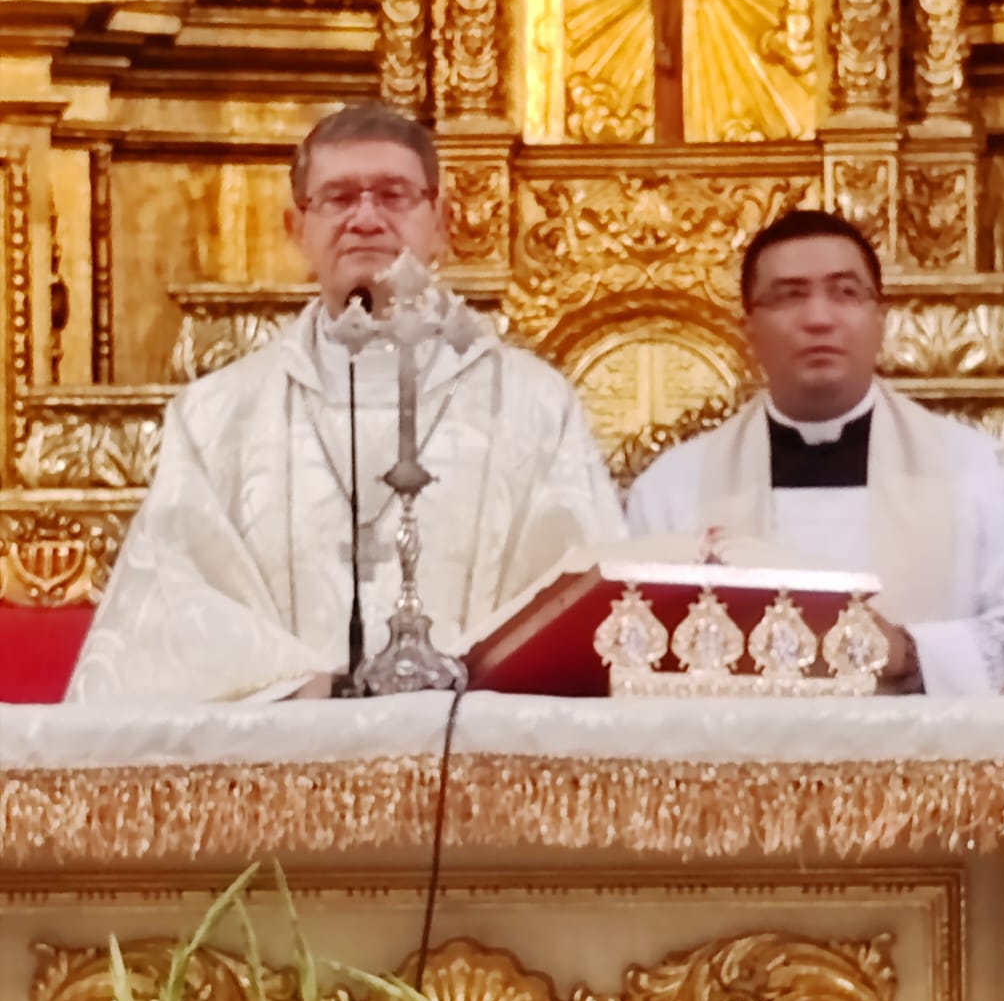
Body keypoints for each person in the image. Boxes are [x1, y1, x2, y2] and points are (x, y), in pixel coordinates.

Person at [69, 104, 625, 702]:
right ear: (297, 228)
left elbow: (579, 596)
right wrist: (315, 690)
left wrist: (463, 695)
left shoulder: (532, 404)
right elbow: (174, 608)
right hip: (287, 745)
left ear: (441, 222)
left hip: (478, 742)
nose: (365, 218)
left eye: (393, 195)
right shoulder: (216, 417)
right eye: (337, 198)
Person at [626, 208, 1004, 695]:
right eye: (789, 296)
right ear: (750, 331)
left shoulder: (984, 473)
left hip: (927, 744)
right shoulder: (672, 490)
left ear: (880, 321)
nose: (818, 319)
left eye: (846, 292)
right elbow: (632, 656)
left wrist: (911, 654)